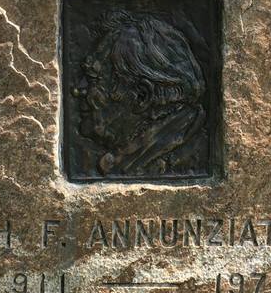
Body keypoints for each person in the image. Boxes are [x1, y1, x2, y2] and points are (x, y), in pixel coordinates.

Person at [71, 11, 207, 178]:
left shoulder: (189, 160)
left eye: (93, 80)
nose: (77, 90)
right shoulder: (128, 159)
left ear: (142, 96)